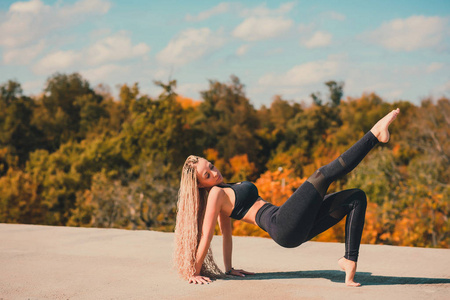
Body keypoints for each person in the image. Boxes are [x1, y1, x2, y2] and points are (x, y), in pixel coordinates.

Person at [174, 108, 400, 287]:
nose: (214, 172)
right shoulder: (215, 194)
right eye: (207, 174)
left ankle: (349, 261)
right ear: (200, 184)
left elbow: (227, 234)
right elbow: (207, 235)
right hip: (281, 225)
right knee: (321, 176)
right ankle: (374, 135)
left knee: (356, 198)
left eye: (211, 166)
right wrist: (194, 271)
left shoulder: (223, 190)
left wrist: (229, 268)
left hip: (290, 226)